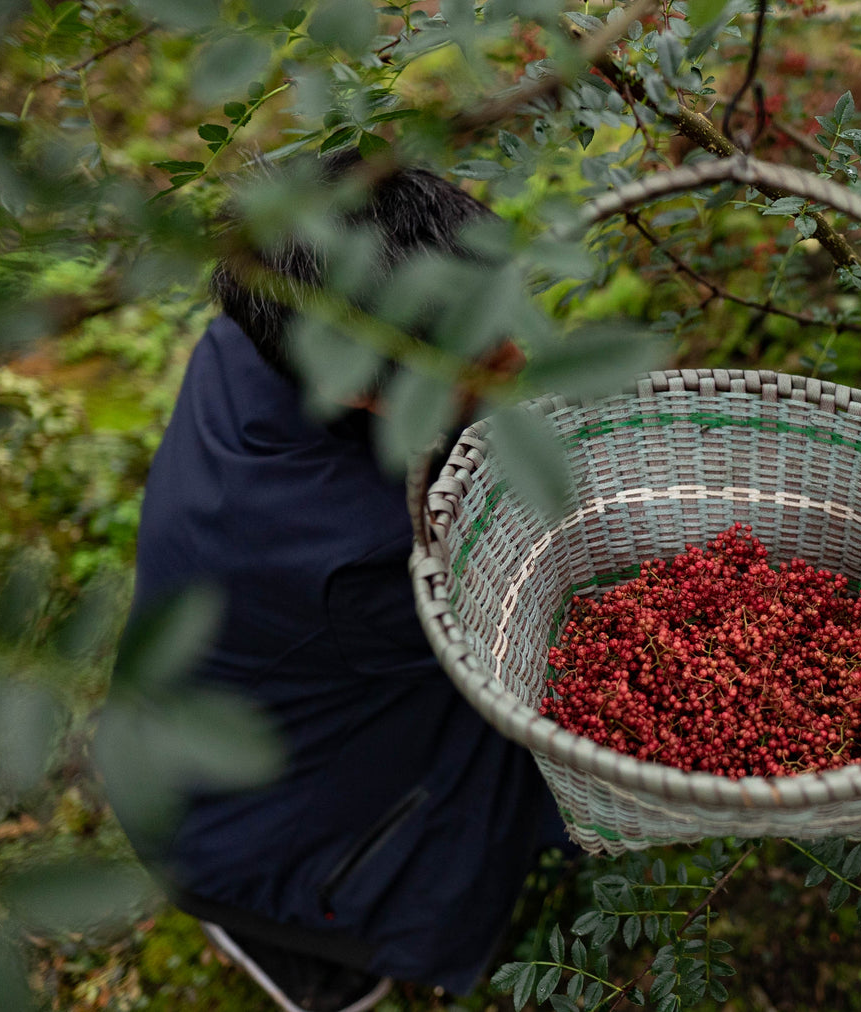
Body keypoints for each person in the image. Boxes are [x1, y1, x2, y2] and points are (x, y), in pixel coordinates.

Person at [108, 150, 570, 1012]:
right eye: (486, 358)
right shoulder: (366, 557)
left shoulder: (272, 313)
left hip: (224, 696)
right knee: (353, 946)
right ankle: (297, 951)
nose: (520, 350)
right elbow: (540, 638)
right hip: (254, 836)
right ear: (365, 396)